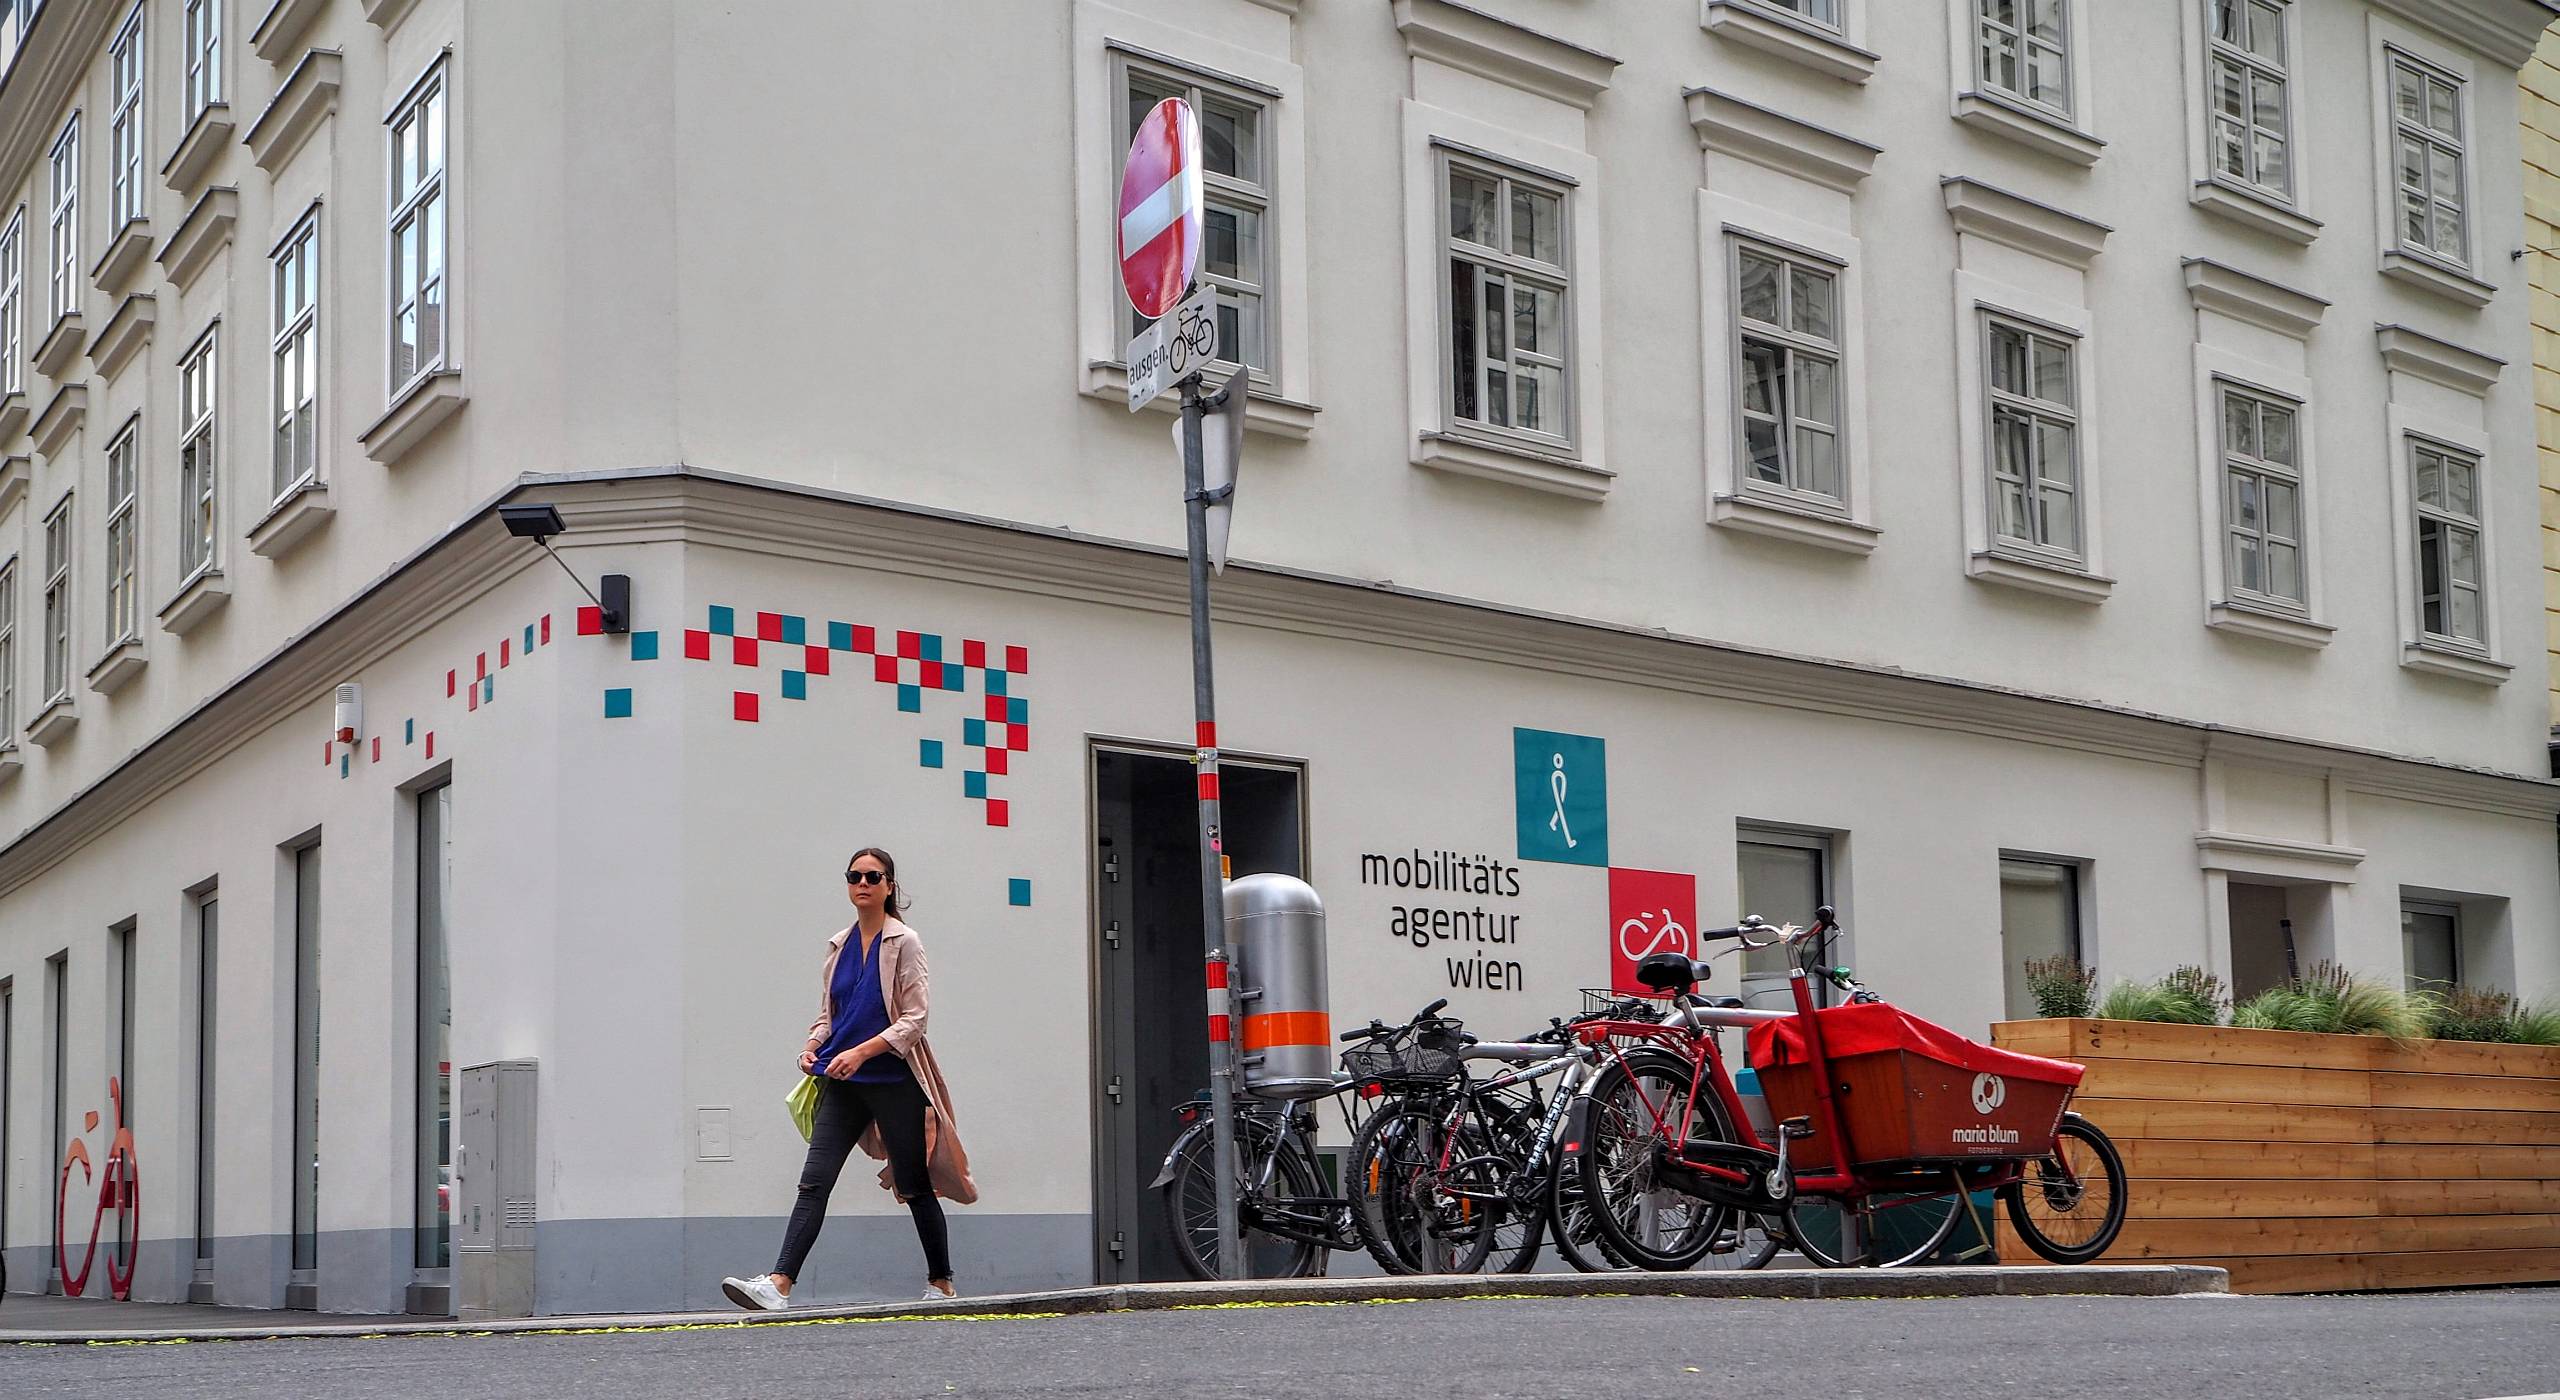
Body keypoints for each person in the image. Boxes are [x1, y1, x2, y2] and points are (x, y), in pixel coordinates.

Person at [723, 848, 976, 1310]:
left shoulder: (905, 942)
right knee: (813, 1182)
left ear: (889, 886)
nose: (863, 883)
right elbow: (830, 1014)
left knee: (915, 1184)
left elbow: (915, 1019)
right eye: (854, 876)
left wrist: (862, 1052)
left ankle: (941, 1282)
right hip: (843, 1082)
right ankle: (779, 1284)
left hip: (893, 1080)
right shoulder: (837, 944)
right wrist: (814, 1045)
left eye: (873, 876)